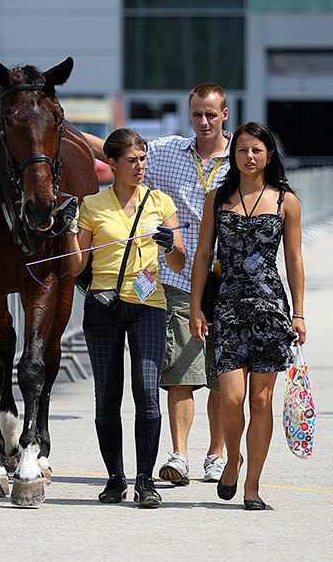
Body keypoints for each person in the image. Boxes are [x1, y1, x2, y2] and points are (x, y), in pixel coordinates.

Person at [82, 82, 232, 485]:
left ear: (224, 115)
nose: (203, 122)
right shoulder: (165, 151)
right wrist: (59, 126)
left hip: (228, 280)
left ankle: (215, 454)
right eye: (197, 114)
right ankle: (179, 454)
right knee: (180, 369)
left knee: (222, 371)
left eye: (211, 114)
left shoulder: (243, 158)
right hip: (179, 279)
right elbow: (116, 149)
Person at [64, 128, 185, 507]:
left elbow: (179, 262)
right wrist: (69, 229)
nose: (140, 167)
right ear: (111, 164)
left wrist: (170, 246)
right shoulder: (92, 205)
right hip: (104, 305)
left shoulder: (161, 202)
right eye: (131, 160)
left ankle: (144, 481)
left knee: (147, 393)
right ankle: (115, 478)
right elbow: (74, 267)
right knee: (107, 397)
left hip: (149, 304)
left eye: (143, 159)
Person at [189, 121, 306, 510]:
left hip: (271, 310)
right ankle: (232, 457)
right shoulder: (217, 198)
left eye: (257, 150)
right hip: (227, 309)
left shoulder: (286, 200)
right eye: (242, 150)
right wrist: (195, 308)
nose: (249, 157)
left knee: (260, 401)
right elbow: (203, 255)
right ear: (233, 155)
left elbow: (293, 259)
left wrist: (299, 313)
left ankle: (252, 485)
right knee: (231, 398)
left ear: (268, 154)